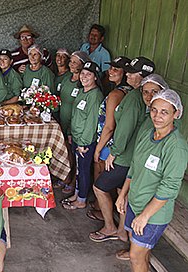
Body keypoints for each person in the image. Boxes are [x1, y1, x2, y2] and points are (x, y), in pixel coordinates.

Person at [110, 90, 187, 272]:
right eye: (154, 110)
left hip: (153, 213)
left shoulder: (176, 146)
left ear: (176, 114)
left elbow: (169, 187)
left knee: (136, 255)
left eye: (164, 112)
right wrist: (123, 194)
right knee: (140, 254)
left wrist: (145, 216)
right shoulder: (147, 134)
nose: (157, 116)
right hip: (135, 203)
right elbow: (134, 166)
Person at [89, 57, 155, 243]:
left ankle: (110, 226)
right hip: (134, 155)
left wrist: (114, 152)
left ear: (143, 77)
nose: (128, 75)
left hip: (125, 157)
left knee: (100, 187)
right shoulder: (139, 95)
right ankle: (121, 231)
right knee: (121, 192)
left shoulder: (134, 98)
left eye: (132, 73)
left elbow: (123, 129)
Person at [62, 61, 103, 210]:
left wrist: (83, 143)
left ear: (95, 77)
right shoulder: (82, 91)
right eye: (83, 73)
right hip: (76, 138)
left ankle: (82, 200)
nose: (84, 77)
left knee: (84, 171)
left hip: (85, 142)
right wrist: (71, 134)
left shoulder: (95, 95)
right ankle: (77, 194)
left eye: (89, 74)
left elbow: (92, 122)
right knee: (79, 170)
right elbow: (76, 114)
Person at [56, 51, 90, 194]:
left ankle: (73, 180)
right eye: (71, 61)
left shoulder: (82, 84)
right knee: (66, 151)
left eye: (75, 62)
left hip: (74, 125)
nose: (71, 64)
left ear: (83, 65)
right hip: (63, 120)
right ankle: (66, 176)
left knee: (74, 153)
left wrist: (71, 129)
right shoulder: (66, 79)